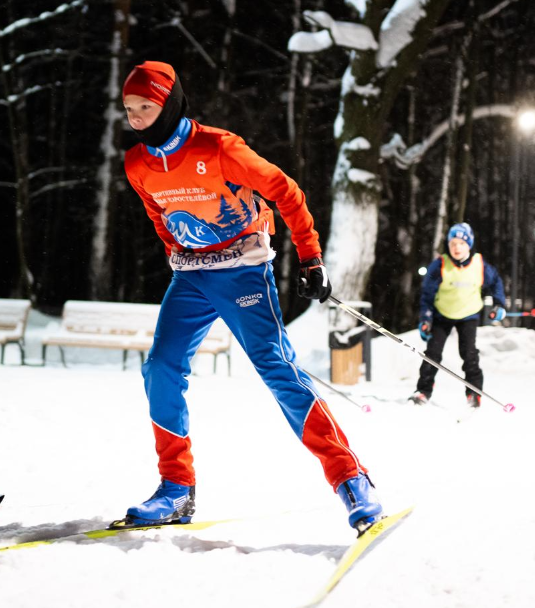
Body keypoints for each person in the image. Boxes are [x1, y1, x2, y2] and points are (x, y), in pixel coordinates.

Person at [119, 61, 382, 534]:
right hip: (192, 277)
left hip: (242, 272)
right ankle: (176, 489)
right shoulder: (137, 163)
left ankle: (351, 480)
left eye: (146, 106)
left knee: (277, 371)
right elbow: (158, 214)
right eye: (130, 109)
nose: (136, 118)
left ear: (170, 102)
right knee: (160, 367)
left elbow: (286, 191)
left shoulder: (219, 148)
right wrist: (177, 251)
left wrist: (310, 257)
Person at [410, 223, 506, 408]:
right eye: (453, 243)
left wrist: (499, 304)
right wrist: (426, 319)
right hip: (442, 315)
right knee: (432, 354)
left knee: (469, 354)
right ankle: (423, 391)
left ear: (469, 244)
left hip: (469, 315)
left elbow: (496, 283)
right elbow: (427, 295)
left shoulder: (480, 265)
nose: (456, 248)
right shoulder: (440, 265)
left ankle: (474, 394)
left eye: (461, 243)